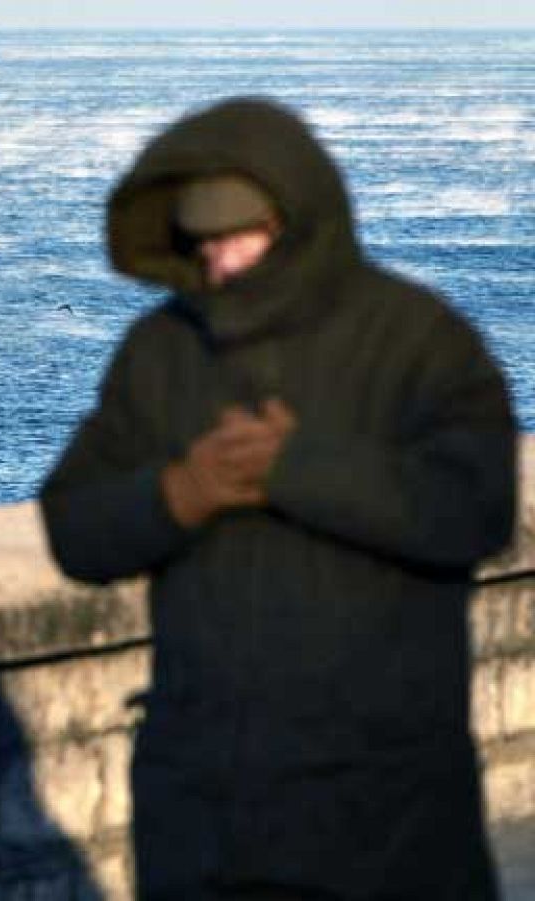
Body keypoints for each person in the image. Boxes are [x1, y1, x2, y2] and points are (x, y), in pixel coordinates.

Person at [39, 96, 517, 899]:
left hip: (384, 810)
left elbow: (473, 509)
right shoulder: (161, 353)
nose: (221, 262)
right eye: (205, 242)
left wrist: (297, 468)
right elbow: (74, 526)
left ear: (297, 221)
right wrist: (177, 494)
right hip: (205, 811)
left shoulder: (415, 339)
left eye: (240, 237)